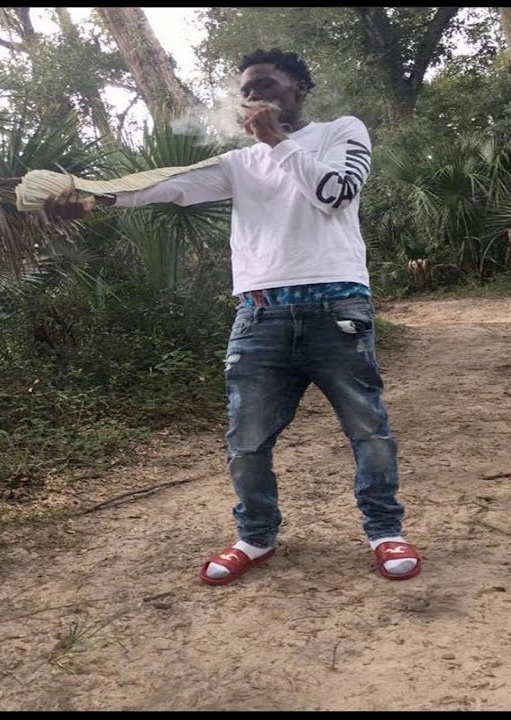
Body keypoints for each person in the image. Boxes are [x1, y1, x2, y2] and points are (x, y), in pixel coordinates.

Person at [43, 48, 420, 584]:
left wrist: (277, 141)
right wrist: (95, 199)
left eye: (264, 83)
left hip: (337, 307)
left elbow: (336, 195)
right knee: (246, 440)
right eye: (245, 90)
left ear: (297, 88)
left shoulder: (341, 132)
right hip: (260, 316)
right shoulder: (239, 163)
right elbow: (169, 186)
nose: (252, 96)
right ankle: (256, 536)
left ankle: (384, 532)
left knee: (368, 430)